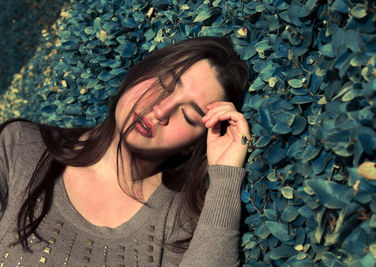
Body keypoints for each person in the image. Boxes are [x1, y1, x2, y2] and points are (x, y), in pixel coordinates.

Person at [0, 36, 250, 266]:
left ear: (192, 146)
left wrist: (225, 178)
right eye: (164, 82)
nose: (161, 111)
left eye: (188, 115)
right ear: (139, 73)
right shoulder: (19, 148)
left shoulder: (181, 222)